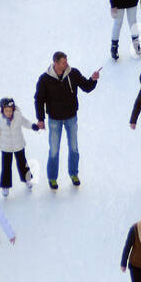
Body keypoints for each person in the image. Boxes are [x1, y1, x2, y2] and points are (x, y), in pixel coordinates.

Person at [34, 52, 99, 190]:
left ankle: (74, 174)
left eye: (66, 61)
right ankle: (52, 178)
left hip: (71, 117)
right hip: (54, 120)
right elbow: (39, 100)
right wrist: (40, 119)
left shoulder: (73, 73)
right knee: (54, 150)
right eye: (63, 62)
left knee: (74, 147)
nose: (66, 63)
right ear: (55, 63)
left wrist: (93, 79)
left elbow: (86, 87)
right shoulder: (45, 79)